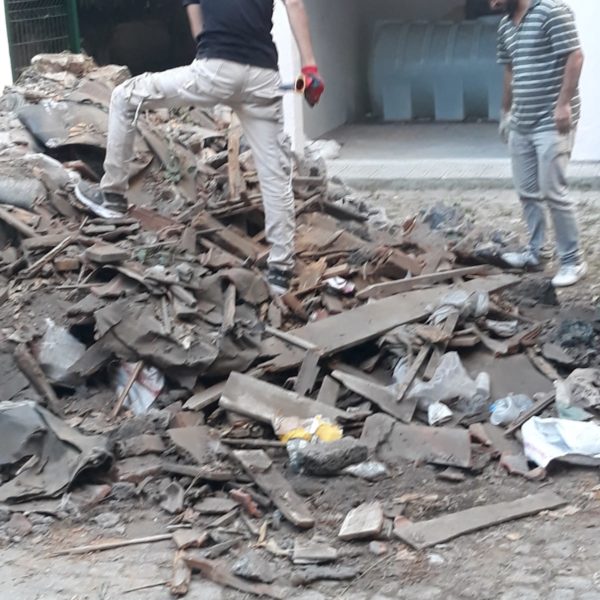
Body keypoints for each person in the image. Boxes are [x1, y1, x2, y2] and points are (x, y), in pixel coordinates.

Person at [76, 0, 324, 294]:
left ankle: (113, 197)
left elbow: (196, 20)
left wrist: (210, 62)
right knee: (275, 173)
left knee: (124, 97)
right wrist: (309, 67)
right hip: (263, 75)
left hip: (216, 69)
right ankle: (280, 272)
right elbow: (294, 3)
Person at [491, 0, 587, 287]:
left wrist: (564, 104)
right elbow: (510, 69)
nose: (492, 2)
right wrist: (505, 112)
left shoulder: (550, 11)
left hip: (551, 121)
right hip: (521, 121)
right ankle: (536, 253)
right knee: (527, 191)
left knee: (552, 191)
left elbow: (575, 56)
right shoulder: (505, 24)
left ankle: (573, 261)